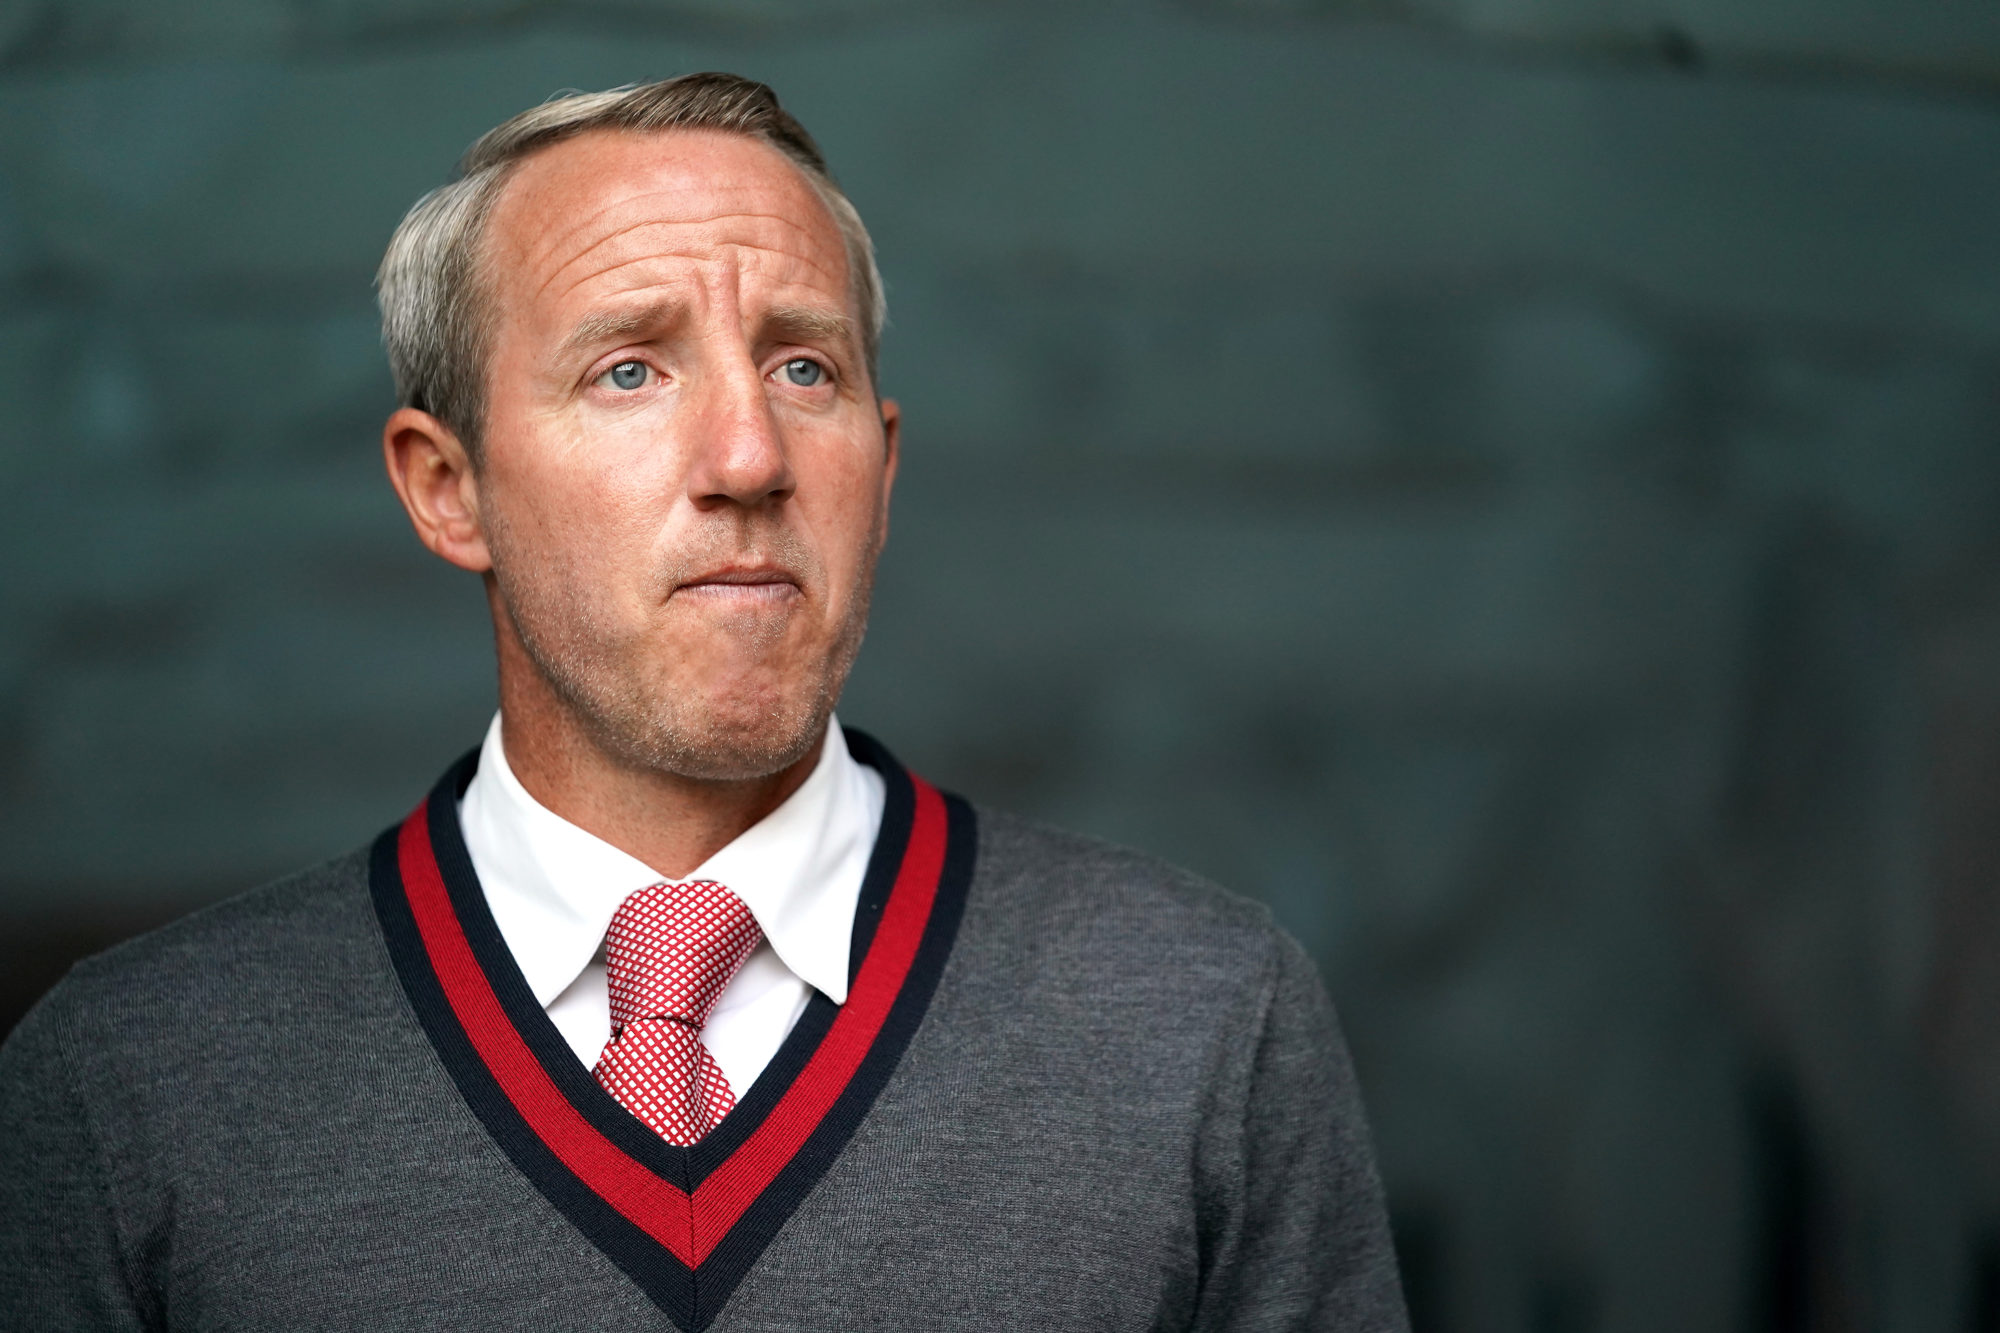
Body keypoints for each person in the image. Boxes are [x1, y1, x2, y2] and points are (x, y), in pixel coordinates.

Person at [0, 74, 1408, 1332]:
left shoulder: (1203, 1021)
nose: (749, 455)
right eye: (629, 368)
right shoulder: (131, 1086)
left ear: (883, 469)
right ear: (448, 487)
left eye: (805, 366)